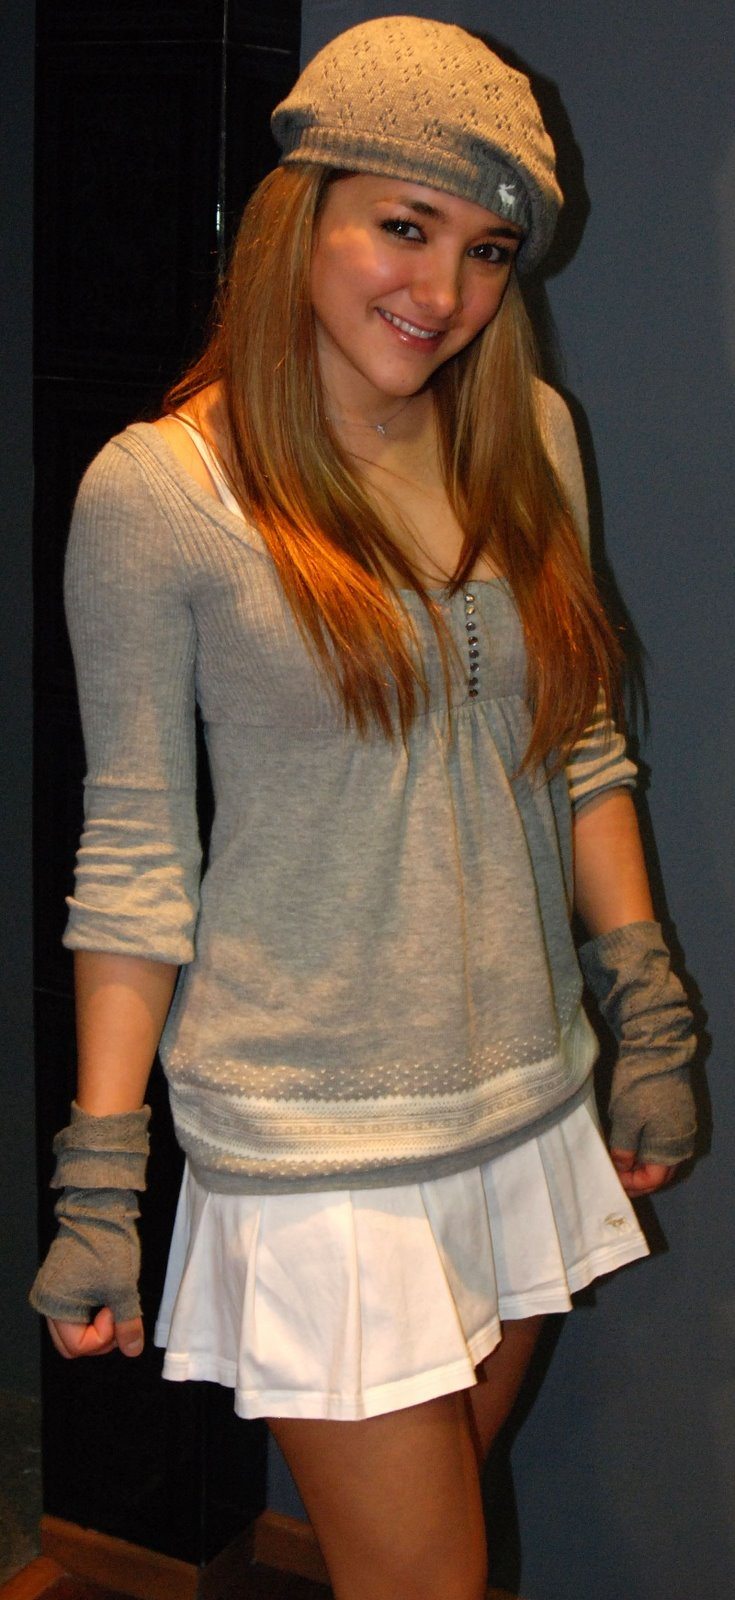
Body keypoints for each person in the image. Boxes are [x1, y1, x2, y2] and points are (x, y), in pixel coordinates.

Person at [30, 16, 697, 1600]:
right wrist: (101, 1177)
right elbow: (135, 859)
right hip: (316, 1142)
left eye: (487, 250)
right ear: (303, 212)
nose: (444, 291)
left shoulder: (530, 440)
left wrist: (649, 1014)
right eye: (404, 224)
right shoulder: (162, 492)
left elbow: (580, 750)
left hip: (522, 1093)